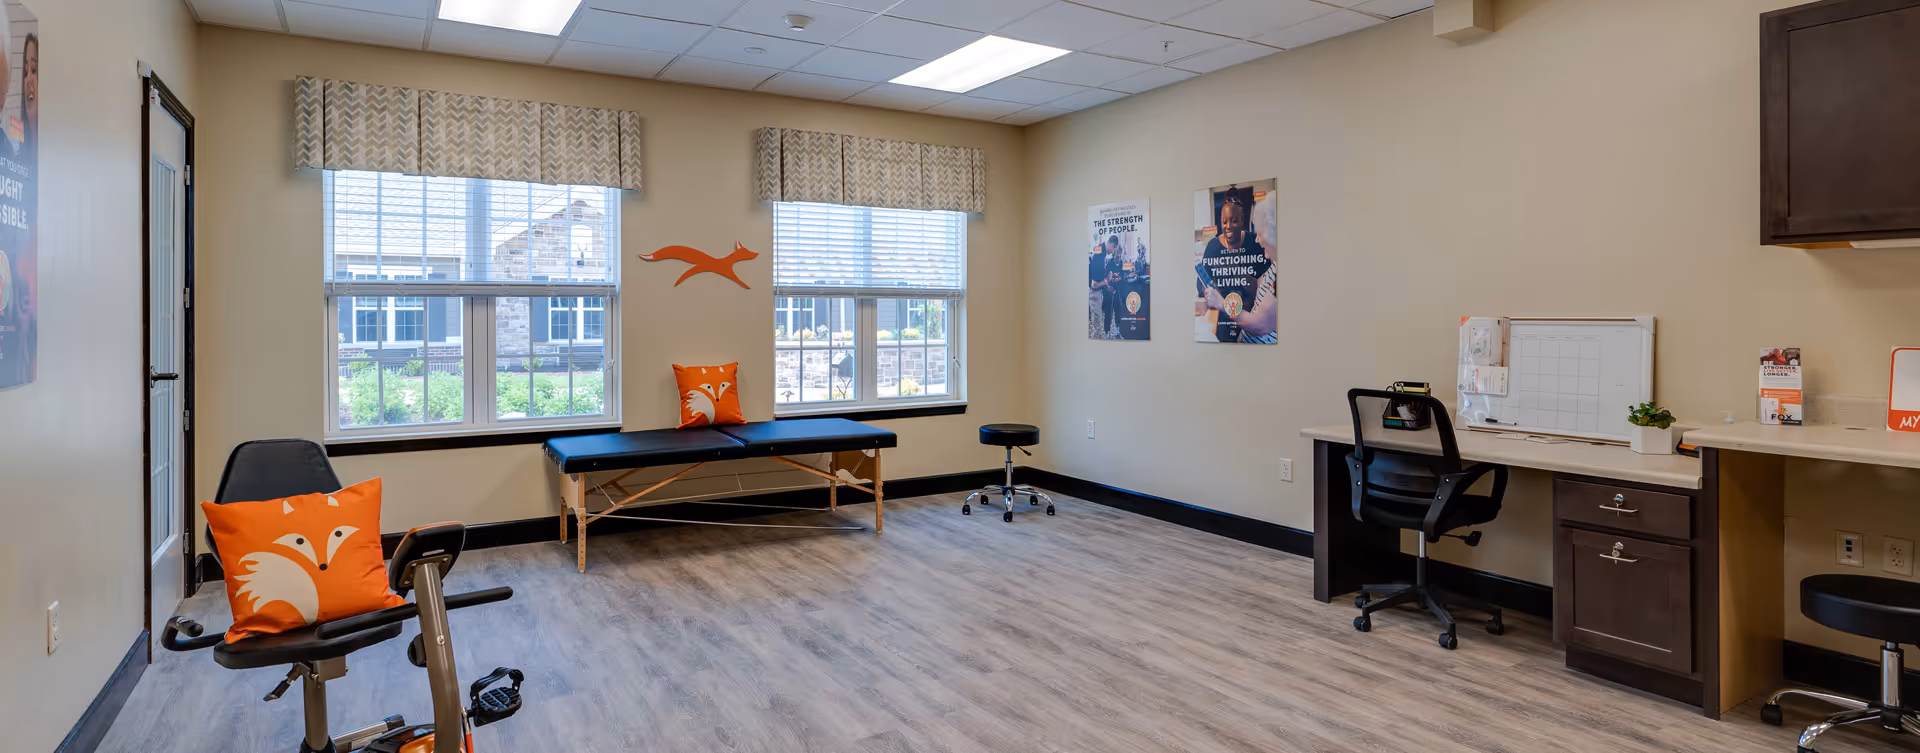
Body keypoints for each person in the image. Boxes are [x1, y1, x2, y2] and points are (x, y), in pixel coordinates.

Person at [1197, 189, 1277, 343]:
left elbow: (1260, 324)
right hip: (1228, 330)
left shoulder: (1259, 250)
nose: (1258, 240)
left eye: (1234, 221)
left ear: (1242, 220)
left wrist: (1222, 303)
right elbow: (1261, 286)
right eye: (1224, 221)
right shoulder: (1213, 247)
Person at [1088, 234, 1122, 338]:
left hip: (1099, 292)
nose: (1112, 252)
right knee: (1098, 328)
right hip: (1094, 293)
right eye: (1113, 250)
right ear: (1112, 245)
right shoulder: (1099, 254)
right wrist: (1107, 280)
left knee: (1098, 325)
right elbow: (1094, 285)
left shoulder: (1102, 252)